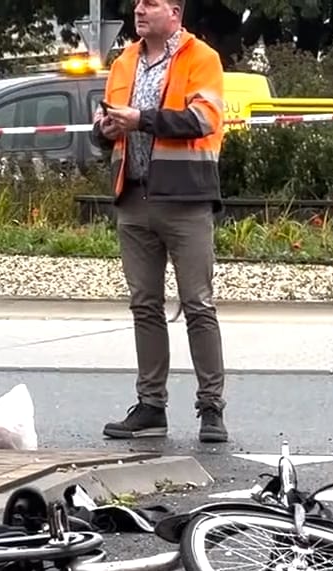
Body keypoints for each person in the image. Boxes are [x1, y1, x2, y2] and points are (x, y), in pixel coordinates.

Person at [92, 0, 228, 443]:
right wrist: (104, 129)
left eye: (150, 3)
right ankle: (151, 406)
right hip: (133, 198)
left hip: (186, 198)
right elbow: (104, 129)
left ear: (174, 12)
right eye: (138, 2)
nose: (139, 9)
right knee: (144, 305)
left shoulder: (201, 58)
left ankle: (211, 408)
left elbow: (203, 119)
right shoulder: (124, 61)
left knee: (198, 304)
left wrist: (141, 119)